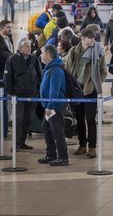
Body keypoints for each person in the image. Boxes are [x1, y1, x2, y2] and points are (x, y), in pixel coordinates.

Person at [65, 28, 107, 159]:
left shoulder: (98, 51)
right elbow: (67, 71)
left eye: (93, 37)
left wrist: (96, 84)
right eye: (90, 37)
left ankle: (92, 147)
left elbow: (103, 71)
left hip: (90, 90)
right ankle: (82, 145)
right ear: (82, 38)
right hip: (77, 90)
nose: (93, 39)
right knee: (79, 119)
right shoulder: (73, 52)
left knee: (90, 119)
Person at [4, 38, 42, 150]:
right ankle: (15, 143)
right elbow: (7, 77)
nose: (29, 48)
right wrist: (11, 91)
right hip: (18, 95)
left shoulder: (34, 59)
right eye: (26, 46)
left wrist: (38, 90)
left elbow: (40, 75)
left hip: (32, 94)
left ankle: (22, 142)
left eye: (30, 46)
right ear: (20, 48)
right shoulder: (12, 59)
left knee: (27, 119)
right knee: (18, 119)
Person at [38, 45, 69, 166]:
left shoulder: (55, 69)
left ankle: (63, 157)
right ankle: (51, 154)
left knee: (57, 131)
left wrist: (49, 106)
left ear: (49, 55)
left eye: (42, 53)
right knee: (46, 129)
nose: (41, 55)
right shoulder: (49, 67)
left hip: (54, 106)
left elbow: (54, 91)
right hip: (50, 105)